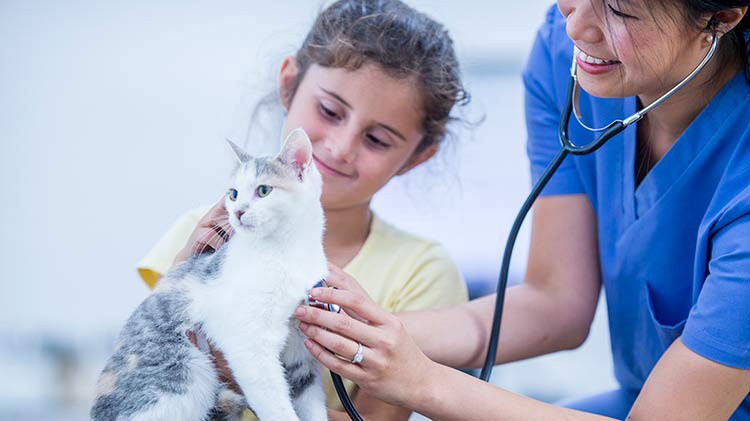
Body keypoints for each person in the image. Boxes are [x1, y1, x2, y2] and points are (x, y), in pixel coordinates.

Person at [294, 0, 750, 419]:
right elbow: (556, 303)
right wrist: (352, 332)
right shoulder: (570, 54)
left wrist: (422, 381)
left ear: (723, 16)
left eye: (619, 11)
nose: (576, 26)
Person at [136, 1, 470, 420]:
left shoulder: (423, 272)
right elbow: (150, 377)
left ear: (416, 157)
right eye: (330, 111)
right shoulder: (199, 233)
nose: (340, 147)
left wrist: (252, 378)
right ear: (289, 84)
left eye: (377, 139)